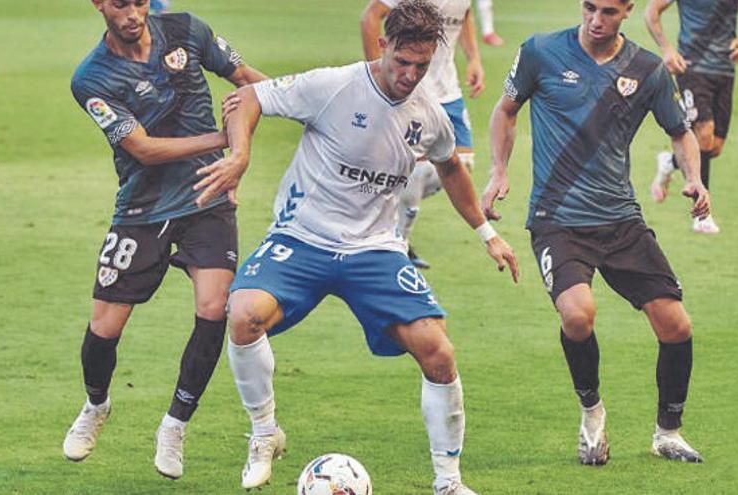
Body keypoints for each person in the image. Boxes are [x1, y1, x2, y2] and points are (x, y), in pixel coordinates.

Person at [196, 1, 517, 492]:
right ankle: (265, 434)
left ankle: (448, 482)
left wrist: (487, 233)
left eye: (422, 66)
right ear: (383, 45)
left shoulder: (429, 113)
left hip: (375, 251)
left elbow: (450, 166)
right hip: (302, 236)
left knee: (438, 351)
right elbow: (247, 98)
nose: (410, 75)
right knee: (241, 315)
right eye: (402, 62)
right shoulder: (334, 85)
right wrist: (240, 155)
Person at [483, 0, 711, 465]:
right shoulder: (541, 52)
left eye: (608, 11)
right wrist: (498, 171)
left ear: (628, 10)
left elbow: (681, 131)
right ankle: (592, 414)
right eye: (589, 7)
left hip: (620, 220)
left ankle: (668, 432)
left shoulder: (646, 69)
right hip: (557, 218)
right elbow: (505, 110)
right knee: (578, 314)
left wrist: (694, 176)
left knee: (676, 326)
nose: (596, 19)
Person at [64, 0, 266, 480]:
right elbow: (143, 148)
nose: (132, 14)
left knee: (215, 307)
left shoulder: (187, 30)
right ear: (98, 4)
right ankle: (96, 405)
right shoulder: (90, 78)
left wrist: (310, 106)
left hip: (206, 196)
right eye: (120, 4)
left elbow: (247, 81)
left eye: (139, 2)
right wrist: (226, 143)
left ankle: (175, 424)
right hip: (142, 206)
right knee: (104, 328)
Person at [361, 0, 485, 269]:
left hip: (449, 92)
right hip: (412, 89)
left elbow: (463, 14)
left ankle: (384, 213)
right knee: (415, 173)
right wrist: (379, 76)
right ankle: (397, 247)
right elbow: (370, 17)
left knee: (461, 164)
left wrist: (473, 57)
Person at [645, 0, 738, 234]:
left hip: (724, 71)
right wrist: (667, 49)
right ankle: (702, 215)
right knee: (704, 137)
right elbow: (652, 11)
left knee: (714, 147)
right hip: (691, 67)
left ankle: (670, 162)